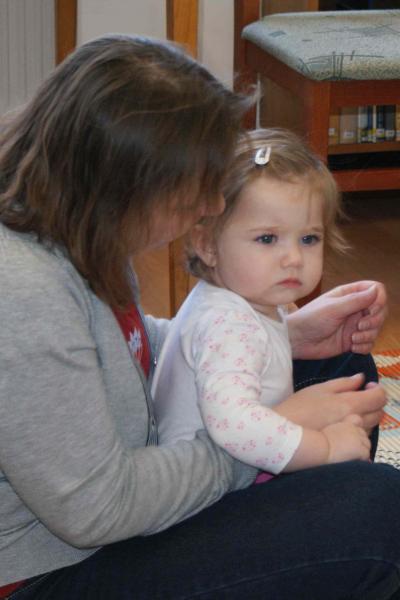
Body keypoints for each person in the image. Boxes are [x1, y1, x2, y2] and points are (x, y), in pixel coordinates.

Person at [0, 33, 399, 600]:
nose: (210, 206)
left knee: (342, 367)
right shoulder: (22, 292)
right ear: (130, 184)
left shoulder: (80, 227)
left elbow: (119, 346)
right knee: (376, 506)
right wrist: (267, 436)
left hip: (133, 480)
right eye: (194, 185)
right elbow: (97, 510)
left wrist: (284, 337)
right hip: (51, 570)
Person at [152, 128, 375, 475]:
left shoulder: (241, 300)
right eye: (267, 239)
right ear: (207, 245)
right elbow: (234, 425)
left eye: (308, 238)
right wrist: (326, 447)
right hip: (209, 492)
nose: (294, 258)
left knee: (351, 363)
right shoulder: (229, 325)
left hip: (236, 469)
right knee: (373, 484)